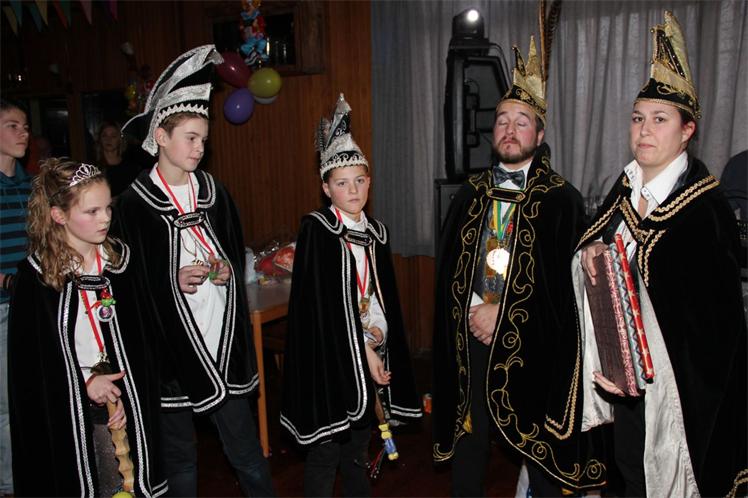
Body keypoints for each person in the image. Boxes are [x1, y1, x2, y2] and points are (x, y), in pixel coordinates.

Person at [575, 11, 747, 497]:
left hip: (679, 400)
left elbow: (716, 331)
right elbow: (599, 253)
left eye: (659, 119)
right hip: (619, 384)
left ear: (687, 130)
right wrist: (590, 251)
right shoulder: (623, 188)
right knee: (627, 473)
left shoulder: (705, 209)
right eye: (638, 119)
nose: (644, 131)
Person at [431, 33, 606, 495]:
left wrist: (503, 311)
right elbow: (448, 274)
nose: (509, 130)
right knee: (470, 442)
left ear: (539, 136)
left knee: (538, 446)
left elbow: (564, 292)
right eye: (502, 121)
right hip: (471, 335)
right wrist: (473, 310)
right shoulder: (469, 195)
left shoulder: (562, 201)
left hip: (533, 347)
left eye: (522, 122)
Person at [113, 45, 275, 497]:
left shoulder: (214, 192)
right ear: (160, 137)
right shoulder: (132, 207)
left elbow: (232, 252)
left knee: (247, 454)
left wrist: (224, 270)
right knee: (181, 461)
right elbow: (126, 288)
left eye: (203, 139)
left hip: (220, 344)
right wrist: (171, 280)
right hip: (170, 357)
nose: (200, 148)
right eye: (190, 138)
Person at [280, 94, 421, 497]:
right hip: (328, 363)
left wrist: (376, 332)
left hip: (366, 354)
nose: (353, 189)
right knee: (326, 452)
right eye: (342, 183)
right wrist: (363, 349)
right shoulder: (318, 230)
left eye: (359, 180)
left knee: (358, 447)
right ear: (326, 188)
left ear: (369, 182)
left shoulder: (376, 232)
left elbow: (378, 295)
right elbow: (321, 310)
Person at [8, 158, 165, 496]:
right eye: (92, 211)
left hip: (126, 397)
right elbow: (34, 370)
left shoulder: (120, 262)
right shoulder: (37, 279)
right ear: (58, 215)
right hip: (73, 411)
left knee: (130, 484)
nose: (105, 218)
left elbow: (142, 340)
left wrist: (129, 391)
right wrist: (85, 382)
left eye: (107, 207)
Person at [0, 98, 30, 497]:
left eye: (25, 126)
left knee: (30, 395)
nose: (23, 132)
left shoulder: (31, 185)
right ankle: (8, 485)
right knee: (6, 404)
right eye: (12, 125)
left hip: (31, 307)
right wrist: (8, 282)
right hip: (2, 309)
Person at [95, 121, 146, 197]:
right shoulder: (94, 169)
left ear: (120, 139)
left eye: (113, 136)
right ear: (100, 139)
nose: (108, 139)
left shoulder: (131, 168)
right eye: (104, 136)